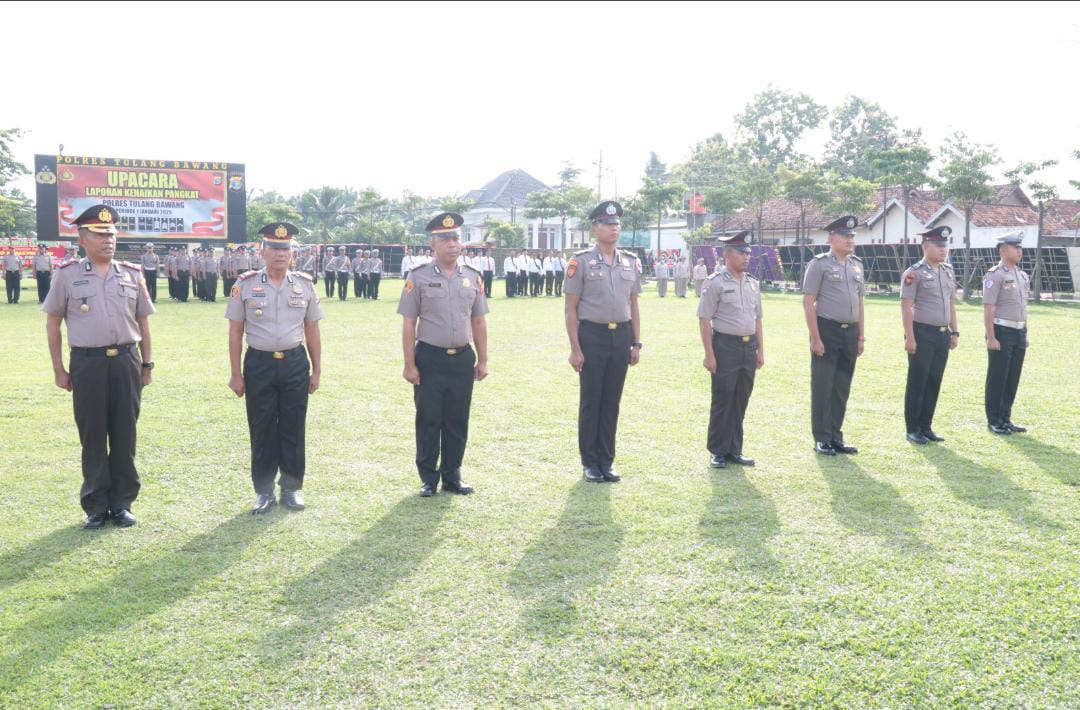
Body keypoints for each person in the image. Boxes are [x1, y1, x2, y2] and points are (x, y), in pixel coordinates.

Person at [42, 204, 155, 529]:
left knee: (124, 432)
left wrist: (147, 364)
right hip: (87, 365)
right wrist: (58, 369)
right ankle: (95, 505)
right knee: (92, 434)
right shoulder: (67, 275)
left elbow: (143, 324)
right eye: (100, 235)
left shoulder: (133, 274)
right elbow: (53, 324)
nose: (108, 240)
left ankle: (121, 503)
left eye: (112, 235)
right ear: (82, 238)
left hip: (126, 362)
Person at [226, 222, 323, 513]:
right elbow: (235, 332)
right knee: (262, 427)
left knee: (294, 425)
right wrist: (235, 373)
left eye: (286, 248)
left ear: (292, 253)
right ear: (262, 251)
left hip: (294, 362)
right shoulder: (244, 284)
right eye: (275, 248)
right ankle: (264, 491)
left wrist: (317, 370)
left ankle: (291, 488)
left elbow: (313, 330)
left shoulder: (304, 284)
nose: (281, 254)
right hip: (259, 363)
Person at [398, 212, 489, 497]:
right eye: (445, 239)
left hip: (462, 358)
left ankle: (452, 475)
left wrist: (483, 359)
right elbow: (409, 323)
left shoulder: (473, 277)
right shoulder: (419, 276)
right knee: (428, 419)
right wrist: (409, 364)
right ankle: (428, 478)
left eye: (455, 239)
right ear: (433, 244)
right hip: (429, 358)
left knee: (457, 419)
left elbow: (479, 321)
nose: (452, 244)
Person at [564, 200, 642, 483]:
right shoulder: (581, 261)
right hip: (592, 336)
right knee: (592, 400)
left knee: (612, 401)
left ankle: (606, 461)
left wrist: (636, 342)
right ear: (594, 228)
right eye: (608, 224)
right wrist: (575, 348)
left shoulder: (630, 262)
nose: (614, 228)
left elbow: (633, 305)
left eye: (617, 224)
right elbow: (570, 308)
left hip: (621, 337)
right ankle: (590, 462)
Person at [698, 231, 763, 468]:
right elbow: (704, 319)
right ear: (727, 255)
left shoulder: (753, 284)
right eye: (741, 252)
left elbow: (758, 320)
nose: (746, 257)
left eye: (748, 252)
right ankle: (717, 450)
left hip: (749, 346)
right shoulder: (715, 282)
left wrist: (760, 350)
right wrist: (709, 353)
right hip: (725, 345)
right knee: (723, 398)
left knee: (741, 399)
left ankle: (735, 449)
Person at [803, 215, 865, 456]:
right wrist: (815, 338)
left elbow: (860, 302)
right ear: (831, 238)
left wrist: (861, 335)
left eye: (852, 236)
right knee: (823, 385)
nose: (850, 240)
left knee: (841, 386)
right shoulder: (819, 264)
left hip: (850, 332)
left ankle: (836, 435)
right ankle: (821, 437)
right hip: (827, 330)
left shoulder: (856, 265)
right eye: (845, 236)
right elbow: (808, 303)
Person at [900, 226, 958, 444]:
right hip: (922, 333)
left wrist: (955, 331)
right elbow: (906, 307)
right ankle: (913, 428)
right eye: (938, 245)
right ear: (925, 246)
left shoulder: (947, 271)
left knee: (934, 380)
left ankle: (926, 426)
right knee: (918, 381)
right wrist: (910, 337)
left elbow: (951, 304)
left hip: (943, 333)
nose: (943, 250)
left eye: (945, 245)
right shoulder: (914, 273)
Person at [983, 231, 1030, 435]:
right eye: (1015, 247)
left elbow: (1023, 306)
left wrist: (1024, 331)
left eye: (1020, 247)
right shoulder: (995, 275)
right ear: (1003, 250)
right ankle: (994, 420)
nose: (1019, 251)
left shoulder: (1021, 275)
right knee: (998, 377)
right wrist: (991, 336)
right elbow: (989, 307)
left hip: (1019, 331)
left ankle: (1005, 418)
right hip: (1001, 331)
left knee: (1012, 378)